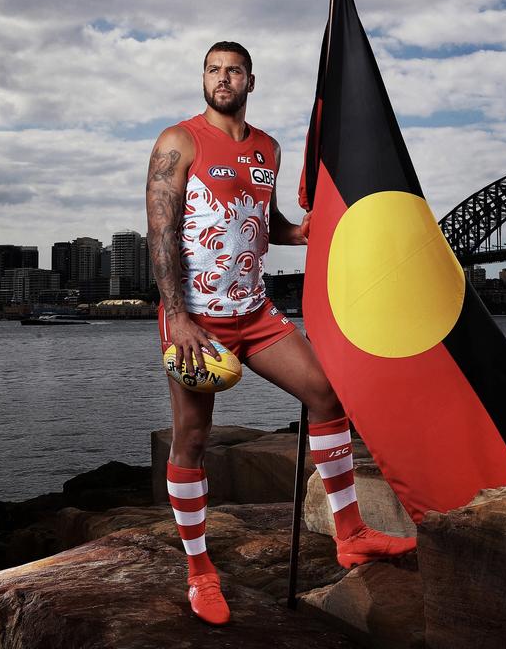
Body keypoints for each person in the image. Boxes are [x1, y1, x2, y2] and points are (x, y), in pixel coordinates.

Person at [145, 41, 416, 626]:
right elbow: (161, 234)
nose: (224, 79)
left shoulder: (266, 148)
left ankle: (351, 534)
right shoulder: (178, 141)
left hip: (255, 312)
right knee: (193, 438)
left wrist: (312, 230)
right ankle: (200, 574)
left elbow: (270, 229)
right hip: (197, 318)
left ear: (250, 81)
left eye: (234, 70)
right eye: (214, 70)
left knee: (325, 393)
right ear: (203, 79)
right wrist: (179, 316)